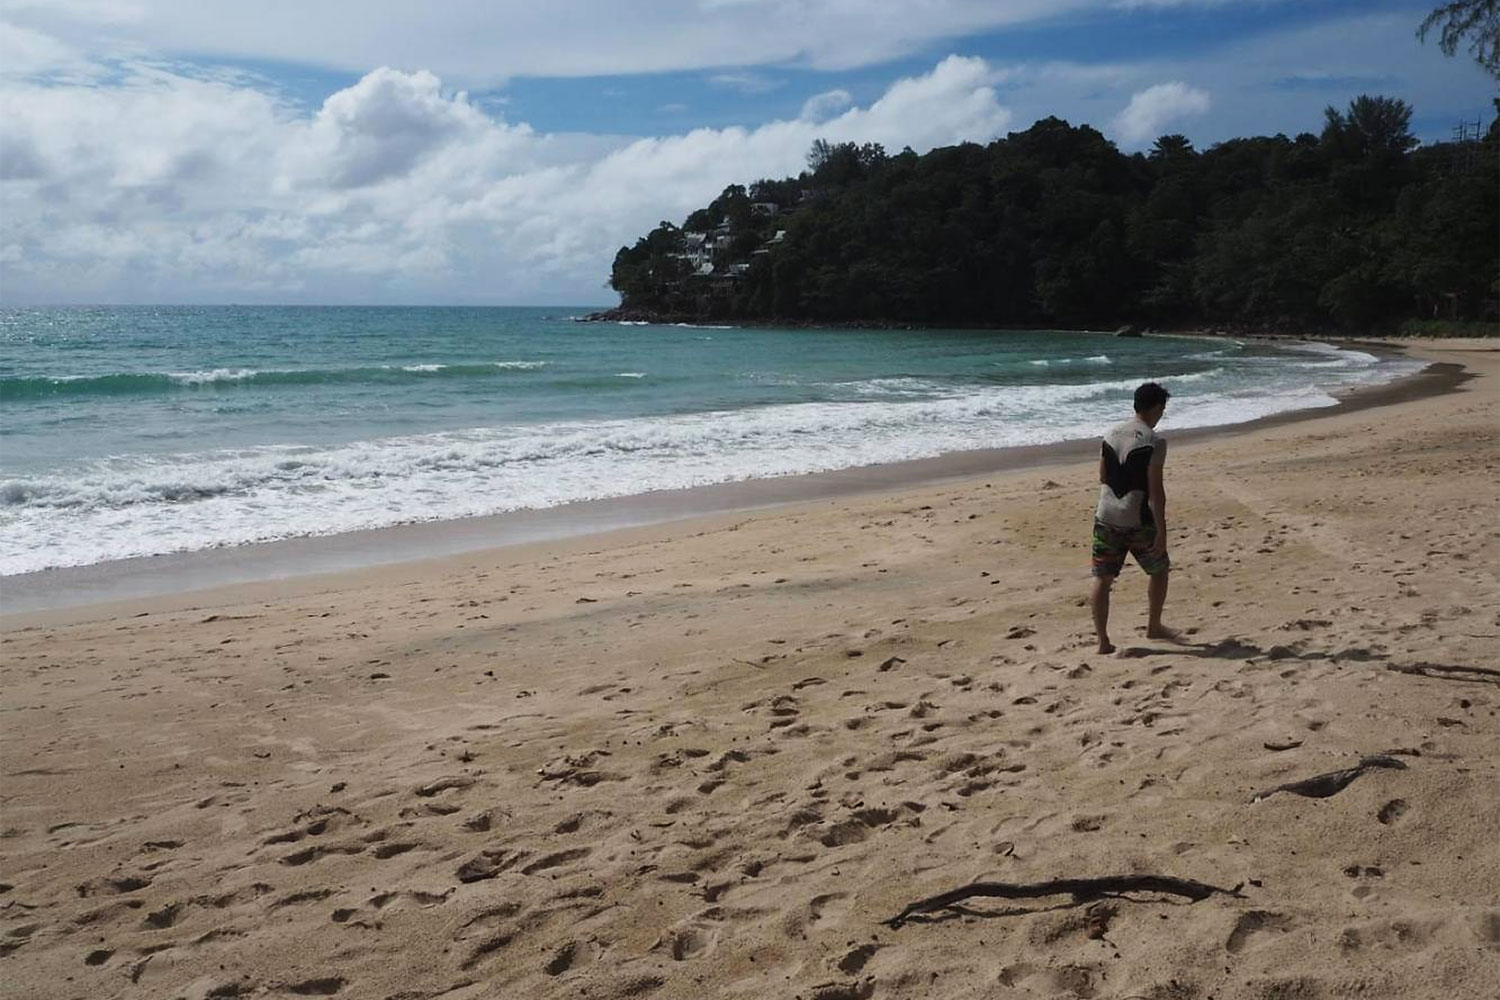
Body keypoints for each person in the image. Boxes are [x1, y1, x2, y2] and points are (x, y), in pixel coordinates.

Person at [1090, 382, 1176, 654]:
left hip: (1105, 514)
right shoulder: (1154, 441)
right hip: (1136, 517)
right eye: (1162, 409)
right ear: (1157, 408)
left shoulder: (1110, 433)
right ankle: (1154, 626)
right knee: (1159, 569)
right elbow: (1155, 493)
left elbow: (1103, 476)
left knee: (1103, 578)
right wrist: (1161, 532)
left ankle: (1103, 641)